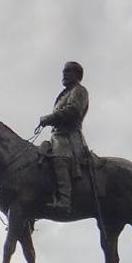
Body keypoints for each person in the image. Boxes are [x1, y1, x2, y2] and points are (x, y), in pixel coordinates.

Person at [36, 60, 89, 210]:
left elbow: (73, 110)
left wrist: (49, 118)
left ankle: (64, 200)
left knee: (60, 159)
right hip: (57, 136)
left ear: (77, 74)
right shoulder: (63, 95)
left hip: (69, 138)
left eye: (68, 71)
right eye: (64, 71)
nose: (64, 74)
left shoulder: (79, 90)